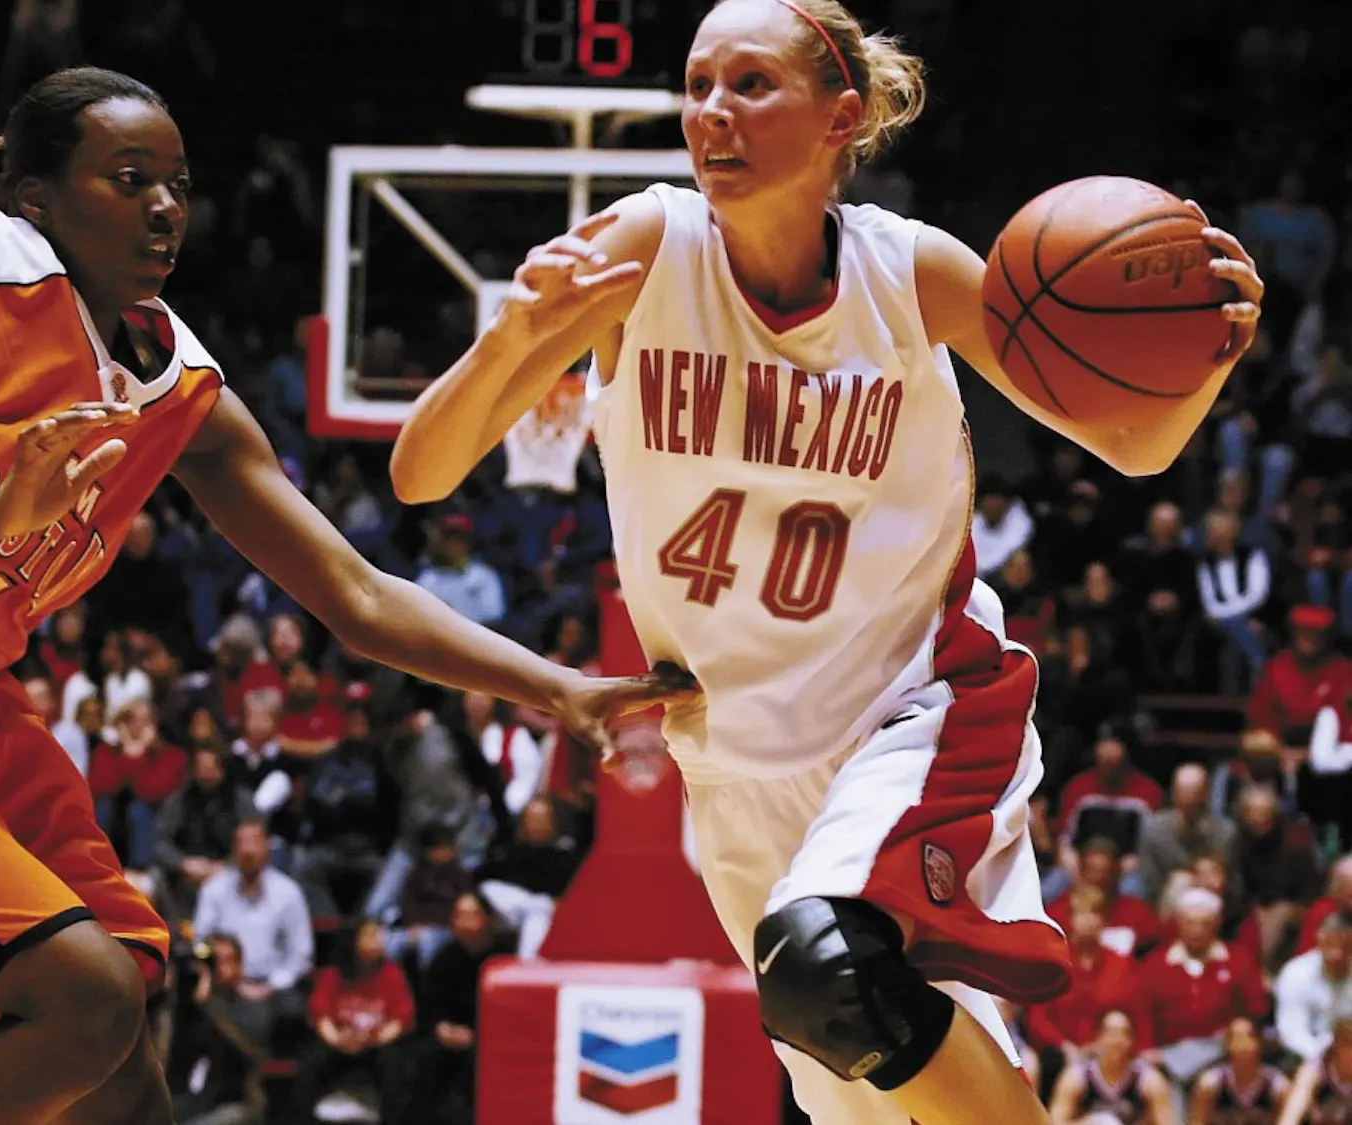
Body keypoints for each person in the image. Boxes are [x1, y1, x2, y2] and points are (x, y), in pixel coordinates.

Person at [390, 1, 1264, 1121]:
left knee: (824, 960)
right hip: (735, 762)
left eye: (751, 84)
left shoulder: (907, 275)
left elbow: (1132, 446)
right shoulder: (643, 247)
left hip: (916, 710)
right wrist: (512, 341)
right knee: (851, 1062)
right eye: (698, 84)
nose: (713, 110)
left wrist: (1205, 359)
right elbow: (423, 473)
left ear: (840, 116)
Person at [0, 67, 692, 1125]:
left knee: (122, 1082)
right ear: (36, 201)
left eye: (178, 184)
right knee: (84, 1003)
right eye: (128, 179)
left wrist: (552, 685)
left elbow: (354, 593)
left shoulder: (178, 396)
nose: (165, 206)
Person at [1048, 1009, 1176, 1125]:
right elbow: (1055, 1122)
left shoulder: (1149, 1080)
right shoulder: (1076, 1077)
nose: (1117, 1041)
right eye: (1111, 1033)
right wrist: (1092, 1122)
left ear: (1132, 1040)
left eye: (1124, 1034)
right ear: (1098, 1038)